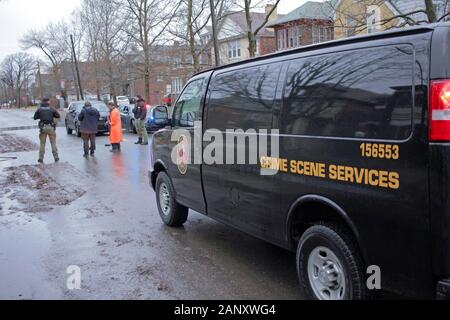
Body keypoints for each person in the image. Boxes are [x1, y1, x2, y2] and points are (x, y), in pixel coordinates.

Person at [34, 98, 60, 163]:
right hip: (51, 127)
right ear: (48, 102)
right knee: (53, 143)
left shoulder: (39, 109)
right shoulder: (52, 109)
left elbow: (35, 117)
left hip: (43, 128)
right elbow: (58, 116)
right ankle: (56, 157)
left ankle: (40, 158)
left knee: (42, 143)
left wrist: (40, 116)